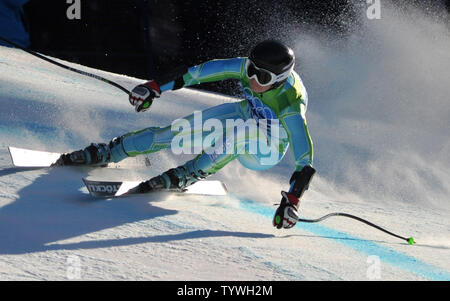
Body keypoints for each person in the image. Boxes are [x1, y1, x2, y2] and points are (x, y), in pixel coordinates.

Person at [54, 39, 316, 230]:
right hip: (248, 114)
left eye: (263, 76)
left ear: (280, 79)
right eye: (250, 70)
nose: (253, 79)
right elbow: (196, 73)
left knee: (242, 132)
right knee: (179, 131)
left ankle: (189, 174)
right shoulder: (245, 68)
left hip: (266, 148)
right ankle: (112, 150)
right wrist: (154, 88)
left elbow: (304, 158)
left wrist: (292, 201)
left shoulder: (290, 103)